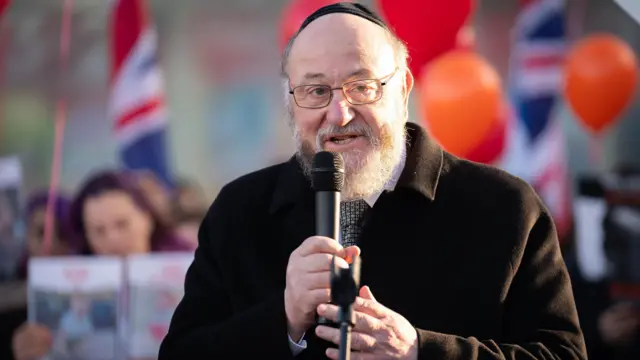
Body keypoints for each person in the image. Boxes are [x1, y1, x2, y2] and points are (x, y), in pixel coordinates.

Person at [159, 3, 587, 359]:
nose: (338, 114)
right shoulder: (241, 210)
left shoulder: (504, 206)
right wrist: (283, 319)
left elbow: (563, 354)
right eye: (315, 91)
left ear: (403, 89)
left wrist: (421, 351)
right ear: (291, 102)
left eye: (362, 87)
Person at [12, 170, 191, 360]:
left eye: (122, 224)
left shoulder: (194, 271)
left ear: (147, 219)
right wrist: (33, 349)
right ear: (86, 236)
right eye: (98, 230)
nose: (112, 239)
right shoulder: (69, 285)